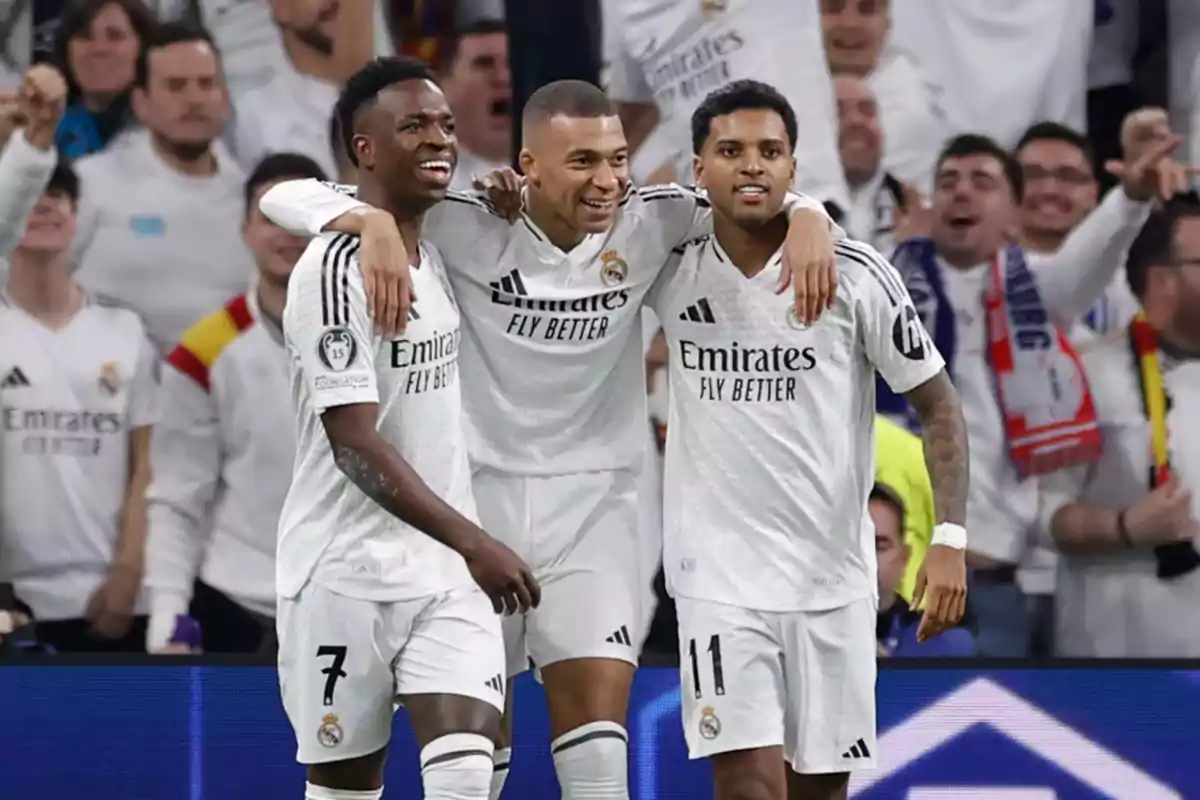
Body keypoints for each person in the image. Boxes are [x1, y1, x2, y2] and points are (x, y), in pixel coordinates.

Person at [260, 77, 838, 800]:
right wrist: (368, 224)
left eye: (618, 159)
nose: (609, 182)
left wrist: (807, 211)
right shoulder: (463, 222)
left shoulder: (653, 221)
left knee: (595, 760)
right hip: (474, 507)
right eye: (583, 163)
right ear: (528, 166)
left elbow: (748, 192)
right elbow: (282, 198)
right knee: (471, 767)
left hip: (600, 507)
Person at [649, 79, 968, 800]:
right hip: (718, 582)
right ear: (697, 168)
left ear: (795, 165)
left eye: (771, 151)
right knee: (748, 786)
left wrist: (948, 536)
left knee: (820, 790)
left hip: (832, 581)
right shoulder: (670, 259)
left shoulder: (857, 276)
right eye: (729, 151)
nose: (752, 165)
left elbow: (940, 406)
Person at [275, 57, 539, 800]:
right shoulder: (331, 268)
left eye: (448, 125)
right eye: (415, 125)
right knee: (344, 791)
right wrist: (476, 541)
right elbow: (353, 444)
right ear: (364, 150)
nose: (441, 139)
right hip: (342, 573)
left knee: (465, 775)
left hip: (443, 578)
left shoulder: (440, 242)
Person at [877, 124, 1183, 656]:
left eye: (982, 181)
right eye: (948, 180)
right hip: (888, 582)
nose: (962, 191)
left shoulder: (1036, 291)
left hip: (991, 586)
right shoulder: (879, 288)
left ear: (1015, 216)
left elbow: (1086, 261)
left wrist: (1131, 197)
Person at [143, 153, 328, 655]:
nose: (286, 233)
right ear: (245, 230)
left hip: (349, 605)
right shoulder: (202, 352)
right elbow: (178, 494)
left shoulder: (382, 336)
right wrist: (167, 613)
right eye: (270, 218)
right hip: (235, 605)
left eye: (301, 217)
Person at [0, 162, 159, 654]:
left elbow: (148, 466)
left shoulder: (125, 332)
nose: (46, 203)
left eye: (60, 195)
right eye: (32, 192)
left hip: (110, 598)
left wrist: (129, 572)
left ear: (76, 218)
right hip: (14, 598)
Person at [1040, 193, 1200, 657]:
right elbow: (1040, 512)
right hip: (1117, 670)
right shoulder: (1083, 375)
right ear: (1162, 280)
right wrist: (1123, 527)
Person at [870, 484, 973, 657]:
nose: (866, 558)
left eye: (879, 546)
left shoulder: (946, 647)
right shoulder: (809, 643)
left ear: (904, 558)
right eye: (854, 547)